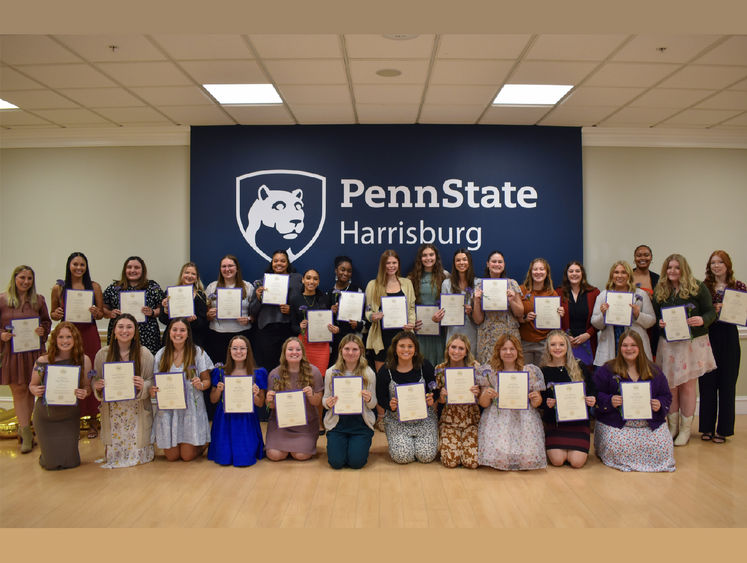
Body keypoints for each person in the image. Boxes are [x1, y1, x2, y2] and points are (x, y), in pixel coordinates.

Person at [653, 253, 716, 446]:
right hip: (669, 345)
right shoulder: (661, 290)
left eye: (676, 267)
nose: (673, 271)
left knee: (688, 387)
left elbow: (711, 311)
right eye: (669, 268)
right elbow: (656, 318)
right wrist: (661, 323)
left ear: (683, 269)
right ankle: (673, 427)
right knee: (671, 386)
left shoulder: (697, 287)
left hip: (692, 343)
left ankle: (686, 429)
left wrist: (703, 320)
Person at [593, 330, 675, 472]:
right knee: (617, 446)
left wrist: (659, 404)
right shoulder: (607, 369)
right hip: (618, 424)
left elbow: (666, 396)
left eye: (633, 345)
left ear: (640, 347)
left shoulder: (654, 370)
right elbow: (594, 394)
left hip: (648, 424)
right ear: (620, 348)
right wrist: (610, 400)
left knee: (663, 448)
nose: (629, 349)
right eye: (625, 345)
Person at [50, 251, 104, 439]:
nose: (79, 268)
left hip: (89, 332)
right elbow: (53, 314)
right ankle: (70, 418)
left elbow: (101, 314)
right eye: (75, 264)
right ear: (69, 266)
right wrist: (56, 313)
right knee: (69, 373)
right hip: (68, 334)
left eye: (82, 265)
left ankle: (93, 421)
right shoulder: (58, 288)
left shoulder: (94, 286)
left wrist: (96, 311)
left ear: (86, 267)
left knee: (90, 374)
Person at [92, 313, 155, 468]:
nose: (124, 331)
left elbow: (151, 380)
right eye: (120, 327)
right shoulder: (103, 354)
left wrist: (143, 385)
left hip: (136, 410)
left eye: (129, 327)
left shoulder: (144, 354)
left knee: (137, 455)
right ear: (114, 331)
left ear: (135, 332)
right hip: (113, 410)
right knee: (113, 452)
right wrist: (98, 387)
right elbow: (96, 380)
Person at [0, 265, 52, 453]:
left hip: (34, 353)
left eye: (29, 278)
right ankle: (26, 433)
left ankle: (27, 428)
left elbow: (46, 322)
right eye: (22, 277)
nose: (25, 282)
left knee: (32, 391)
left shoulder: (38, 300)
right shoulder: (3, 300)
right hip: (13, 354)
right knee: (19, 391)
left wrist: (43, 331)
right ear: (15, 278)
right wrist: (1, 335)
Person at [476, 334, 546, 471]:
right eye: (504, 349)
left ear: (518, 351)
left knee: (527, 461)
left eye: (512, 349)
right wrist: (487, 394)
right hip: (498, 419)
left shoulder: (529, 371)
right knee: (500, 460)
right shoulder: (490, 373)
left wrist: (535, 398)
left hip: (524, 419)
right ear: (498, 351)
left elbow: (537, 402)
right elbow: (483, 404)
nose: (508, 352)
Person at [28, 322, 92, 470]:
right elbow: (32, 385)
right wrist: (35, 390)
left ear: (75, 339)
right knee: (50, 465)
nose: (65, 341)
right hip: (46, 416)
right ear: (55, 339)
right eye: (61, 337)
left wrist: (85, 392)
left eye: (69, 337)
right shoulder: (42, 361)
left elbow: (87, 387)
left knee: (71, 463)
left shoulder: (84, 360)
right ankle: (45, 457)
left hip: (69, 417)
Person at [151, 318, 213, 461]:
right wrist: (153, 390)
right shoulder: (161, 354)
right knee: (172, 457)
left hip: (190, 408)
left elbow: (207, 381)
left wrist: (201, 384)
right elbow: (155, 382)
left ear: (188, 333)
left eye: (182, 330)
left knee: (187, 456)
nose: (178, 333)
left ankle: (205, 442)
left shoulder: (197, 352)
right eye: (175, 330)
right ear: (169, 332)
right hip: (169, 409)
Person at [699, 250, 745, 444]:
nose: (716, 266)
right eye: (713, 263)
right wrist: (713, 310)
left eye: (720, 262)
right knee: (707, 384)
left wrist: (729, 310)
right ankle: (707, 428)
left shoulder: (739, 286)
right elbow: (697, 312)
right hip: (707, 337)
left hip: (729, 338)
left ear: (727, 265)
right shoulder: (703, 287)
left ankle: (724, 429)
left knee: (727, 384)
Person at [375, 331, 438, 464]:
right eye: (402, 346)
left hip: (424, 420)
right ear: (395, 348)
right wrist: (389, 405)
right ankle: (406, 444)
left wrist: (432, 398)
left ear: (415, 349)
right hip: (396, 421)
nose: (406, 350)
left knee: (426, 456)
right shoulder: (385, 370)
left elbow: (435, 389)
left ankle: (418, 443)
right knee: (403, 457)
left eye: (410, 346)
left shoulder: (425, 366)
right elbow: (380, 397)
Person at [289, 268, 338, 433]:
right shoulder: (295, 299)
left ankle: (318, 421)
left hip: (321, 346)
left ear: (318, 281)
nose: (311, 281)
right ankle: (300, 419)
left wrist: (333, 327)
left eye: (315, 279)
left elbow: (331, 321)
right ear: (303, 280)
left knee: (319, 383)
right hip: (303, 345)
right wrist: (299, 326)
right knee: (302, 381)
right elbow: (291, 326)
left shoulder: (324, 298)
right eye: (308, 278)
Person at [539, 330, 596, 468]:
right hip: (555, 424)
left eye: (561, 344)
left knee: (577, 463)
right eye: (553, 344)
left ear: (567, 347)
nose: (557, 348)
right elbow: (541, 401)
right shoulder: (543, 371)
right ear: (547, 347)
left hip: (579, 423)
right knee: (557, 461)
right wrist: (547, 403)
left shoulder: (579, 366)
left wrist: (592, 399)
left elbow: (592, 390)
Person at [207, 335, 266, 466]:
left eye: (242, 348)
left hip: (246, 420)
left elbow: (260, 403)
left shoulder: (258, 373)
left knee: (245, 457)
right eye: (235, 348)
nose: (238, 352)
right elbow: (213, 399)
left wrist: (255, 395)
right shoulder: (220, 372)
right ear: (229, 350)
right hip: (224, 420)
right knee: (224, 458)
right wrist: (218, 390)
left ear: (248, 350)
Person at [323, 334, 377, 469]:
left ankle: (355, 446)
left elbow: (373, 404)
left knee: (356, 463)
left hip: (361, 424)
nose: (351, 353)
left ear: (361, 351)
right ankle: (342, 446)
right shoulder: (331, 372)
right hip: (338, 424)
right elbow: (325, 399)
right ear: (341, 350)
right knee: (336, 463)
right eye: (347, 349)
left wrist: (369, 399)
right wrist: (327, 403)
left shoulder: (368, 373)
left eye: (355, 349)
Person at [265, 337, 324, 461]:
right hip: (280, 424)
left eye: (298, 349)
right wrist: (269, 400)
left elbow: (317, 402)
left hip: (305, 425)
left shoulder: (314, 372)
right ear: (284, 352)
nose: (294, 352)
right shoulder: (274, 374)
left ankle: (297, 447)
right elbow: (271, 406)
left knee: (301, 456)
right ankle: (285, 448)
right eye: (290, 349)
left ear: (303, 353)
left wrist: (311, 395)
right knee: (274, 455)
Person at [591, 260, 656, 367]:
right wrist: (603, 315)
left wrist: (638, 314)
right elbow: (595, 323)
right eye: (616, 272)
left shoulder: (640, 295)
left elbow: (652, 320)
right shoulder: (603, 295)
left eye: (623, 272)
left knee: (636, 380)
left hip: (635, 346)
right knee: (610, 381)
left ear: (629, 275)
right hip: (611, 348)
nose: (619, 275)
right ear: (612, 275)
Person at [249, 250, 303, 374]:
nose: (279, 264)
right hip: (266, 330)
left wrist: (291, 310)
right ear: (272, 263)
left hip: (288, 329)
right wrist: (258, 298)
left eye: (283, 261)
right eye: (276, 261)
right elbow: (252, 312)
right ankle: (269, 393)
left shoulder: (297, 279)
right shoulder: (262, 281)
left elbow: (304, 304)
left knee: (289, 367)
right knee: (268, 367)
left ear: (288, 263)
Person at [364, 249, 416, 372]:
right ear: (382, 265)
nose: (391, 266)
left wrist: (412, 323)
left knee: (404, 372)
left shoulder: (407, 283)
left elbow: (412, 308)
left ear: (398, 264)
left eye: (394, 263)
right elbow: (368, 309)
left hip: (403, 335)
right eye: (388, 263)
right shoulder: (373, 285)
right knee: (382, 375)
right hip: (381, 336)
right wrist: (372, 316)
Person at [434, 333, 480, 469]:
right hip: (449, 421)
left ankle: (464, 448)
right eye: (453, 347)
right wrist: (441, 397)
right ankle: (456, 448)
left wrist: (478, 393)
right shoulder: (440, 369)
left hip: (471, 421)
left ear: (466, 352)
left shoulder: (475, 368)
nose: (456, 351)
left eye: (461, 348)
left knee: (472, 462)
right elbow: (438, 403)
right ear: (448, 349)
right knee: (450, 461)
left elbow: (483, 399)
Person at [102, 256, 164, 355]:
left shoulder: (153, 286)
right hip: (121, 334)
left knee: (146, 364)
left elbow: (162, 308)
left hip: (147, 335)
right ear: (124, 269)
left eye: (137, 267)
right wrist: (110, 313)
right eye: (129, 267)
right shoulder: (114, 287)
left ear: (142, 270)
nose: (132, 270)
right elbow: (103, 308)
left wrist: (153, 312)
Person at [471, 250, 524, 365]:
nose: (497, 264)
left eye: (500, 262)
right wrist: (476, 300)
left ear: (504, 265)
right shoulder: (479, 285)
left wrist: (512, 301)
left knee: (510, 369)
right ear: (488, 264)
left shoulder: (512, 284)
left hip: (508, 334)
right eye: (493, 261)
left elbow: (520, 313)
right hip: (487, 337)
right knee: (488, 373)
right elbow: (478, 320)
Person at [204, 255, 253, 363]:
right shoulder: (212, 287)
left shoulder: (248, 287)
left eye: (230, 266)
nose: (227, 269)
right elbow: (205, 313)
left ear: (237, 268)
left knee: (241, 368)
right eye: (224, 266)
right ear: (220, 269)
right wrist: (209, 315)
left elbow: (256, 313)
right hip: (217, 335)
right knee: (220, 368)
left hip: (242, 335)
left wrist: (248, 319)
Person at [518, 257, 565, 365]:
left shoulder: (552, 293)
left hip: (544, 342)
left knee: (542, 377)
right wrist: (525, 319)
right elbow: (514, 315)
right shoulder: (521, 290)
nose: (538, 272)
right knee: (527, 376)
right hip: (525, 341)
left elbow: (555, 322)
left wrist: (559, 315)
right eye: (535, 269)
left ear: (547, 272)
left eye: (542, 269)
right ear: (530, 272)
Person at [408, 243, 448, 366]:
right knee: (421, 363)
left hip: (439, 329)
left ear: (436, 257)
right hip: (420, 329)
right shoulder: (411, 278)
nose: (428, 258)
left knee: (439, 363)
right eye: (424, 255)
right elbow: (408, 305)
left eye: (431, 254)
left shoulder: (445, 276)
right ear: (420, 258)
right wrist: (411, 322)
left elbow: (450, 303)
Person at [327, 255, 367, 368]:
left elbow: (365, 318)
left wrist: (357, 324)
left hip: (353, 339)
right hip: (336, 342)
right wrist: (330, 312)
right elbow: (324, 320)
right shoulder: (329, 293)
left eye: (349, 271)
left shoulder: (357, 291)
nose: (345, 273)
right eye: (342, 269)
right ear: (336, 270)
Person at [159, 261, 209, 351]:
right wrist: (166, 309)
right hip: (172, 339)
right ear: (182, 274)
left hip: (193, 340)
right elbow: (163, 319)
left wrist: (193, 320)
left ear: (196, 277)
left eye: (193, 274)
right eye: (187, 272)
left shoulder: (200, 296)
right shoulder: (170, 293)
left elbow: (204, 322)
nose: (189, 276)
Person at [557, 261, 599, 365]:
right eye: (571, 271)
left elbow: (599, 320)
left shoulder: (594, 293)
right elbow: (554, 319)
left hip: (588, 342)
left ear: (582, 274)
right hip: (566, 342)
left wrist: (588, 334)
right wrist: (565, 336)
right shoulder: (558, 292)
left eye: (577, 271)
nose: (574, 274)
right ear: (567, 274)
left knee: (587, 375)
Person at [440, 249, 478, 352]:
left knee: (471, 363)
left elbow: (481, 315)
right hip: (453, 332)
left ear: (469, 262)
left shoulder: (478, 283)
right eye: (458, 260)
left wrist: (472, 312)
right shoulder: (447, 284)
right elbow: (444, 311)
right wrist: (439, 316)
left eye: (464, 260)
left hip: (472, 332)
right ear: (454, 263)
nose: (461, 263)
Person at [632, 244, 661, 357]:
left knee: (649, 358)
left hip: (652, 327)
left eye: (646, 255)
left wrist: (652, 300)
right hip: (631, 325)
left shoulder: (658, 279)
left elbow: (662, 303)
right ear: (634, 258)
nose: (642, 258)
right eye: (639, 255)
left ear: (651, 258)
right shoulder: (626, 275)